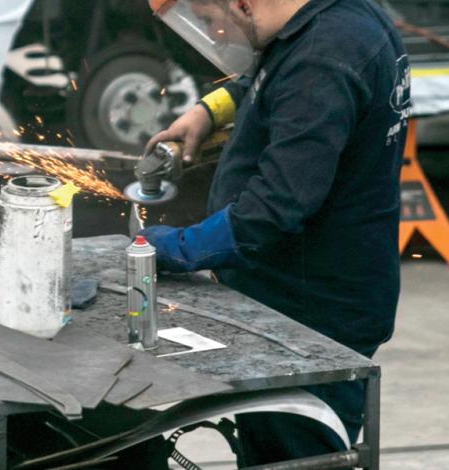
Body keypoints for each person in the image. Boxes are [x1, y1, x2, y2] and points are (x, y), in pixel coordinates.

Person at [141, 0, 409, 465]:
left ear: (241, 1)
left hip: (311, 317)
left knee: (296, 457)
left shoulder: (324, 56)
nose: (215, 35)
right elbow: (267, 79)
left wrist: (177, 250)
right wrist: (211, 110)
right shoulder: (330, 19)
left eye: (207, 20)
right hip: (306, 298)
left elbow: (276, 205)